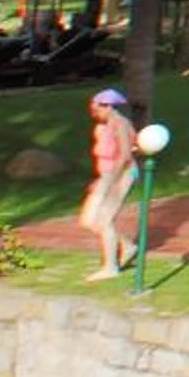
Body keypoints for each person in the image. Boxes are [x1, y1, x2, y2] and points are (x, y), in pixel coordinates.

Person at [78, 87, 141, 278]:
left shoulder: (120, 124)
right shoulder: (101, 127)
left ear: (107, 107)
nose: (93, 114)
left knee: (104, 220)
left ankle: (110, 267)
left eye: (96, 109)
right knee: (88, 220)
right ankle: (127, 247)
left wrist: (110, 182)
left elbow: (124, 156)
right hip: (106, 176)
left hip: (120, 175)